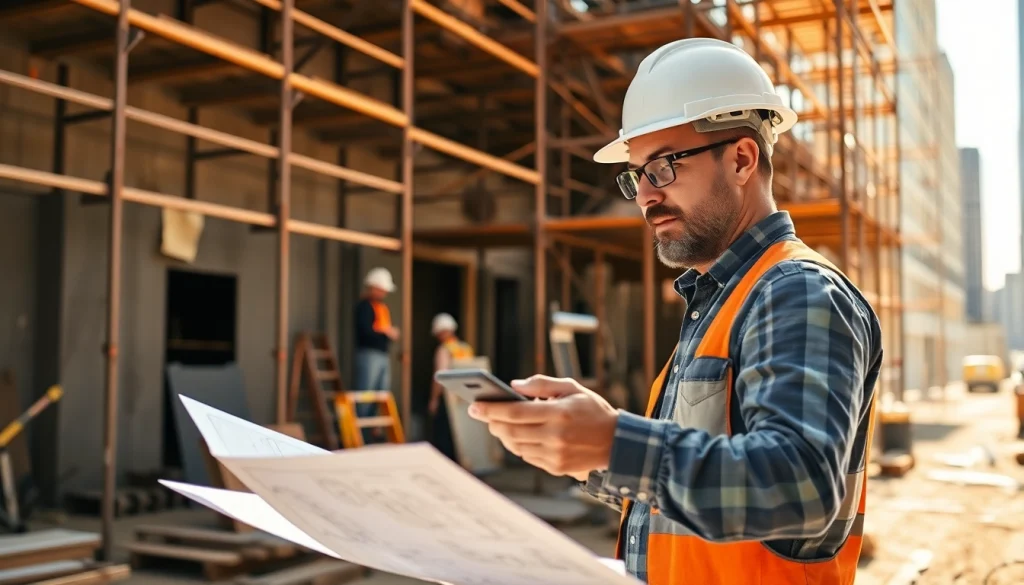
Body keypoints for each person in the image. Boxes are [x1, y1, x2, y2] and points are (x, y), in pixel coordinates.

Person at [468, 37, 883, 585]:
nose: (643, 196)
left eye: (661, 168)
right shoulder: (720, 301)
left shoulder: (795, 291)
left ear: (741, 159)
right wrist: (588, 451)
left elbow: (800, 487)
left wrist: (615, 443)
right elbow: (695, 484)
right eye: (636, 174)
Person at [353, 267, 399, 442]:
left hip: (382, 354)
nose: (384, 293)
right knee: (366, 394)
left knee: (381, 395)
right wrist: (386, 332)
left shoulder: (381, 307)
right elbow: (365, 331)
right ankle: (360, 436)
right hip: (368, 354)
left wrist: (389, 333)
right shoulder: (364, 307)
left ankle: (374, 432)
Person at [427, 312, 474, 461]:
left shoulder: (444, 349)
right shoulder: (465, 348)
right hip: (465, 398)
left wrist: (434, 399)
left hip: (448, 399)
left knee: (445, 437)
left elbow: (439, 377)